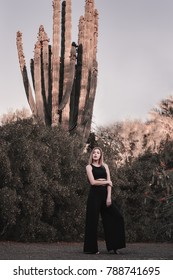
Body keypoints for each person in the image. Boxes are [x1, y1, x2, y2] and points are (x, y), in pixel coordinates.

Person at [83, 147, 126, 254]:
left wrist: (109, 197)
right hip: (94, 195)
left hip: (105, 194)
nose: (96, 154)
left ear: (101, 155)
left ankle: (115, 247)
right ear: (92, 155)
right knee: (92, 221)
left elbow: (110, 183)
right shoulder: (89, 167)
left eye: (98, 153)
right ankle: (91, 249)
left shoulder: (105, 166)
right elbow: (93, 182)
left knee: (117, 217)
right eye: (94, 153)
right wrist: (106, 182)